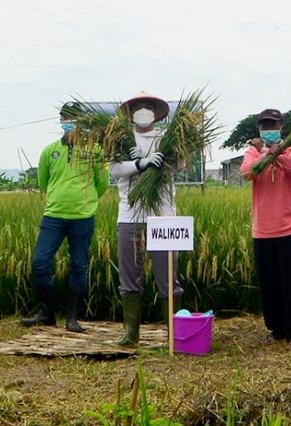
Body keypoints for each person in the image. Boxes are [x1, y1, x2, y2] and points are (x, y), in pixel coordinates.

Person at [21, 101, 109, 333]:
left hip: (83, 217)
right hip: (53, 216)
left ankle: (72, 317)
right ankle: (47, 313)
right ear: (61, 121)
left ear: (84, 122)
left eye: (75, 118)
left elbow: (102, 184)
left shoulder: (96, 151)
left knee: (79, 266)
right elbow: (43, 182)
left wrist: (85, 201)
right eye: (66, 118)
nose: (70, 122)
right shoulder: (50, 151)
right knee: (40, 263)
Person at [109, 91, 183, 347]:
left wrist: (164, 162)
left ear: (155, 112)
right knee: (129, 275)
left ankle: (174, 334)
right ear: (130, 114)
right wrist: (141, 164)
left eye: (147, 106)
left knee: (168, 276)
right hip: (130, 215)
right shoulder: (121, 139)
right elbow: (115, 169)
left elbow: (180, 164)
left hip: (164, 216)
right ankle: (131, 334)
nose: (142, 110)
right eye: (137, 106)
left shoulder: (167, 137)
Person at [240, 108, 291, 349]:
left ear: (281, 127)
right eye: (264, 126)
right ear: (259, 129)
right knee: (270, 284)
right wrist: (263, 153)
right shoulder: (252, 151)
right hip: (263, 229)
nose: (268, 130)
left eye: (273, 125)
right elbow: (247, 172)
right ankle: (276, 329)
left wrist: (277, 153)